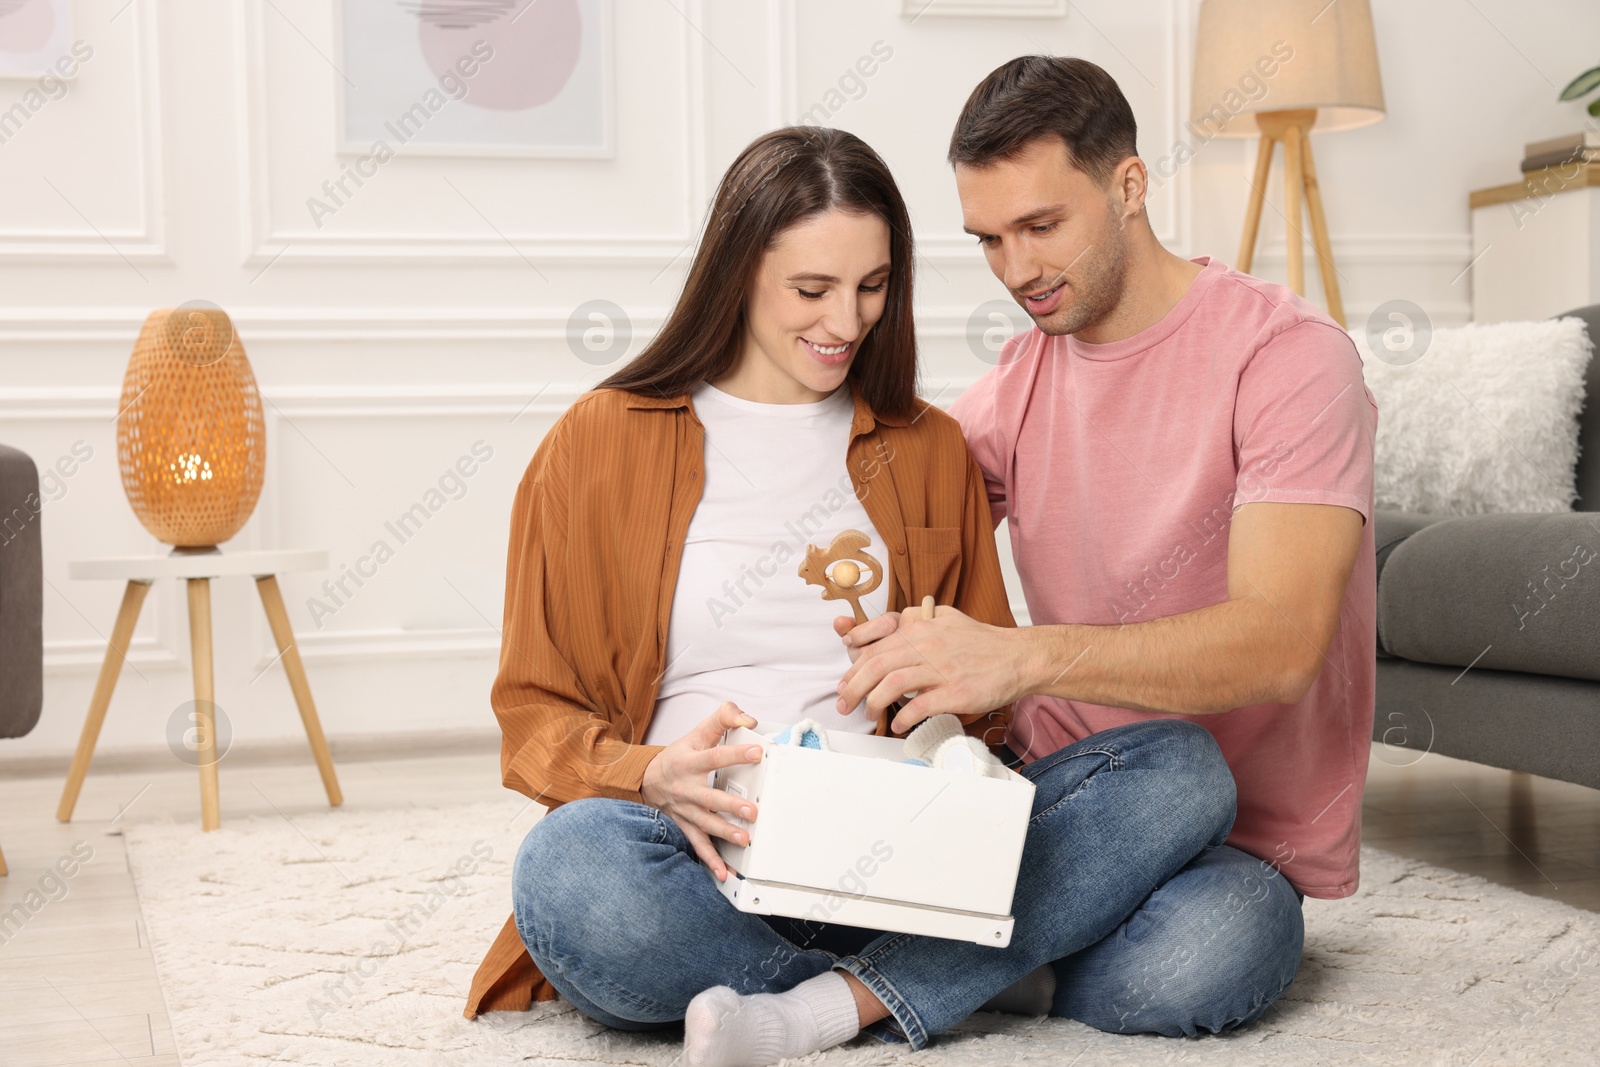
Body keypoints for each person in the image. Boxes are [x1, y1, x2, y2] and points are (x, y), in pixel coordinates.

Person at [464, 122, 1243, 1067]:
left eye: (872, 287)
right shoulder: (598, 443)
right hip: (710, 862)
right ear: (738, 269)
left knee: (1185, 770)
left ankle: (820, 1009)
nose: (846, 320)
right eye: (812, 289)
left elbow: (988, 710)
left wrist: (935, 690)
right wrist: (647, 774)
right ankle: (973, 971)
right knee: (570, 872)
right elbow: (532, 712)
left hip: (905, 846)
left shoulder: (925, 447)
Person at [816, 55, 1378, 1049]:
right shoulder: (1014, 383)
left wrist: (1022, 652)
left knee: (1212, 954)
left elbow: (1282, 641)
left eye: (1040, 226)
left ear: (1128, 185)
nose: (1016, 269)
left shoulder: (1289, 360)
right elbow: (885, 523)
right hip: (1075, 800)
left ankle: (944, 964)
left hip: (1232, 834)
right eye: (988, 239)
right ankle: (1010, 951)